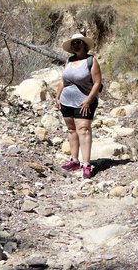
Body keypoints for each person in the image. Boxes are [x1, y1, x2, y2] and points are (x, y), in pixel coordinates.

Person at [54, 32, 102, 179]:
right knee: (71, 130)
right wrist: (57, 96)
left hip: (84, 101)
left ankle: (86, 164)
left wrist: (88, 100)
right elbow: (64, 80)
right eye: (73, 43)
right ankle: (74, 161)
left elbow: (97, 83)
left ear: (84, 45)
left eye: (78, 43)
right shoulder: (69, 61)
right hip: (66, 100)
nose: (75, 45)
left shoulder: (91, 61)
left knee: (84, 130)